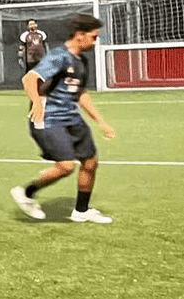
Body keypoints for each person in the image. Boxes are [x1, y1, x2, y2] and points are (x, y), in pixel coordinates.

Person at [10, 13, 116, 224]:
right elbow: (30, 78)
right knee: (66, 166)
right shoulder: (59, 56)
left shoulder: (81, 61)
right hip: (49, 118)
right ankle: (26, 193)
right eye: (94, 37)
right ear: (80, 35)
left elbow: (80, 93)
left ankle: (81, 210)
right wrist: (37, 102)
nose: (96, 42)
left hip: (70, 117)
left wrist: (100, 121)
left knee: (90, 162)